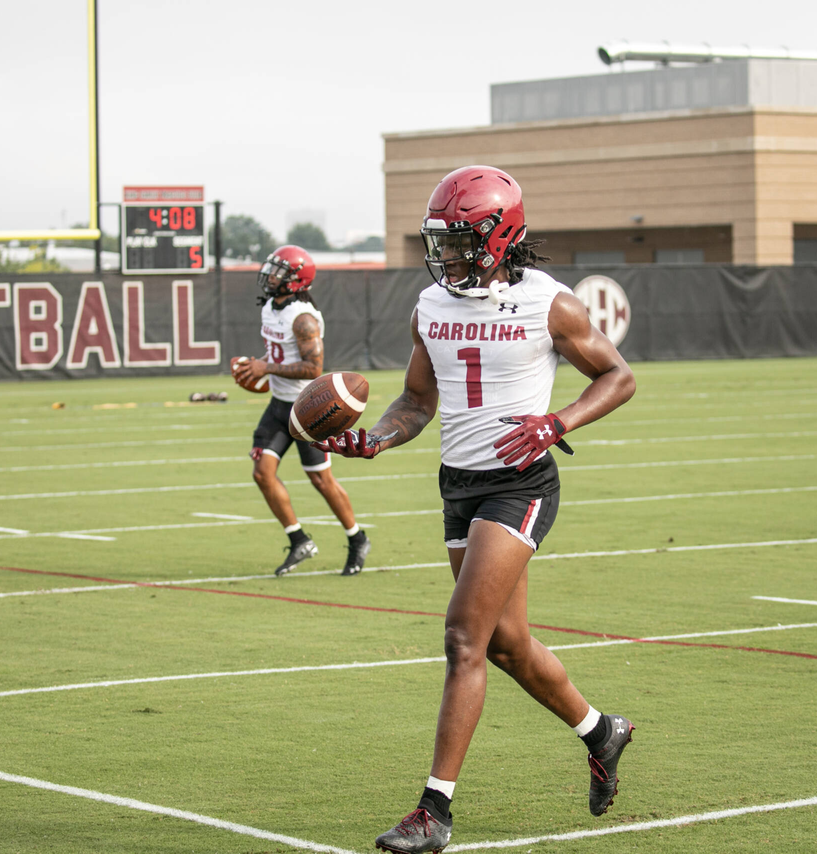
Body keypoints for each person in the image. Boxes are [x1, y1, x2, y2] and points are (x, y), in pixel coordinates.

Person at [318, 166, 637, 852]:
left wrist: (559, 423)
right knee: (507, 646)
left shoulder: (549, 304)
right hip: (457, 485)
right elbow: (417, 401)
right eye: (443, 241)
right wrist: (375, 437)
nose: (449, 255)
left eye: (461, 241)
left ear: (500, 236)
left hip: (520, 483)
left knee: (464, 636)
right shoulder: (429, 305)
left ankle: (434, 811)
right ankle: (602, 732)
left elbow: (619, 376)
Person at [231, 245, 371, 577]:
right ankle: (298, 540)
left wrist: (266, 367)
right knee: (262, 472)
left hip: (309, 409)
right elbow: (276, 355)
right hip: (279, 404)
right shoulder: (269, 306)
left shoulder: (304, 318)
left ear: (295, 281)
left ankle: (357, 538)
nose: (270, 276)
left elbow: (313, 368)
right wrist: (257, 370)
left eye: (279, 272)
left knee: (321, 480)